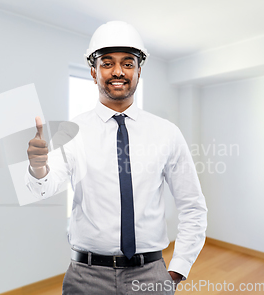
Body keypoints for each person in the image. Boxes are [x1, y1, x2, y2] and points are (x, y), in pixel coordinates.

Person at [26, 21, 207, 294]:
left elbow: (192, 206)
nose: (118, 71)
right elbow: (46, 187)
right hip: (86, 278)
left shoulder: (166, 133)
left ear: (139, 70)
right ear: (93, 71)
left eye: (128, 63)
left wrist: (178, 267)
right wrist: (38, 168)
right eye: (107, 63)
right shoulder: (71, 132)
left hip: (150, 274)